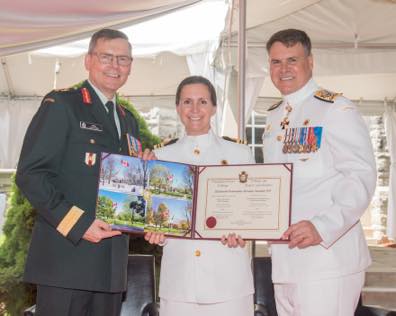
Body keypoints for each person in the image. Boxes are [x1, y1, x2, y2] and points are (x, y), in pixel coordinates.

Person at [16, 28, 151, 316]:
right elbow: (31, 174)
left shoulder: (128, 121)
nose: (115, 66)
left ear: (131, 66)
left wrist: (146, 173)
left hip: (110, 268)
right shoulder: (63, 104)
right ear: (88, 60)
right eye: (106, 57)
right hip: (67, 262)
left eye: (123, 59)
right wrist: (79, 224)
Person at [262, 29, 377, 316]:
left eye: (292, 60)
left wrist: (322, 226)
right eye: (276, 62)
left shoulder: (336, 109)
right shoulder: (274, 116)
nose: (284, 69)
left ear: (310, 62)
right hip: (285, 261)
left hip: (327, 259)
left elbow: (360, 177)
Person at [145, 75, 255, 316]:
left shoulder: (239, 154)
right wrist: (157, 234)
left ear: (214, 108)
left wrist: (243, 232)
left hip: (229, 284)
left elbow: (252, 212)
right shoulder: (160, 157)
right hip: (179, 284)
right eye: (187, 102)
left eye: (203, 101)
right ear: (177, 108)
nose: (195, 109)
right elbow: (156, 217)